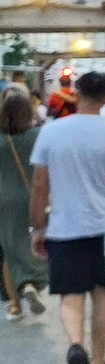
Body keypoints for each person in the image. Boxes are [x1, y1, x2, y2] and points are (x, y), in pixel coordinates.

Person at [29, 70, 105, 364]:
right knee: (103, 294)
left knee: (71, 295)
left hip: (65, 226)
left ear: (76, 94)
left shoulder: (53, 132)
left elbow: (40, 183)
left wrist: (37, 227)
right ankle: (98, 361)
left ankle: (75, 345)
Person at [0, 90, 46, 320]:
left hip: (4, 200)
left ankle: (15, 306)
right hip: (34, 196)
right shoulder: (39, 135)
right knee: (36, 243)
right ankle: (32, 284)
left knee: (9, 250)